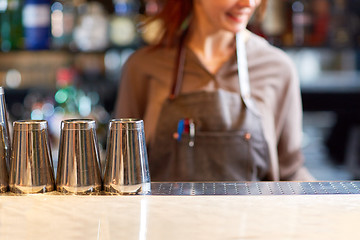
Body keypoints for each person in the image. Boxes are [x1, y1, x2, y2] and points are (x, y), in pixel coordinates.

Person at [114, 0, 314, 181]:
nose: (248, 3)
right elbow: (122, 171)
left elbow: (291, 172)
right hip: (162, 221)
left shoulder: (277, 68)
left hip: (255, 221)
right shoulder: (142, 67)